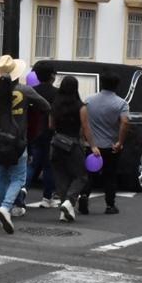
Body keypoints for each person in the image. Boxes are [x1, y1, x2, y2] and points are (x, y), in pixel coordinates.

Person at [0, 56, 50, 235]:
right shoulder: (24, 90)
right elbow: (45, 106)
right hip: (18, 140)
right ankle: (5, 207)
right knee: (18, 179)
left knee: (1, 176)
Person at [49, 76, 100, 222]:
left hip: (56, 143)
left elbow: (50, 126)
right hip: (73, 144)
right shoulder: (81, 106)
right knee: (81, 176)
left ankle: (65, 211)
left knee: (61, 177)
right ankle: (69, 202)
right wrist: (93, 145)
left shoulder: (55, 104)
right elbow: (86, 128)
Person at [85, 70, 129, 215]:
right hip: (111, 146)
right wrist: (120, 142)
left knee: (89, 174)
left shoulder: (89, 100)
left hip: (92, 145)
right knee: (110, 176)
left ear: (101, 83)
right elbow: (124, 122)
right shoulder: (121, 103)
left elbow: (84, 123)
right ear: (116, 86)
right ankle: (110, 205)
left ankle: (83, 199)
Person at [20, 65, 59, 211]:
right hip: (50, 133)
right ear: (52, 76)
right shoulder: (57, 93)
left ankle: (23, 190)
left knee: (31, 164)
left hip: (33, 132)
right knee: (49, 166)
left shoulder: (31, 91)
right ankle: (47, 197)